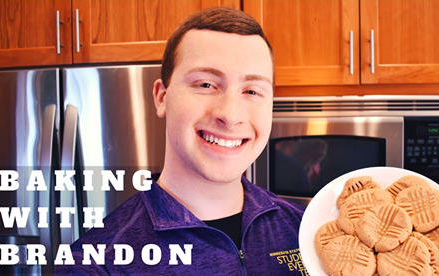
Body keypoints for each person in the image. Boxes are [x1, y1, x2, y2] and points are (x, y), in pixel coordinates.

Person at [55, 7, 307, 276]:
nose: (230, 115)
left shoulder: (306, 230)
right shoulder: (96, 264)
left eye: (252, 90)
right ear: (161, 97)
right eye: (206, 85)